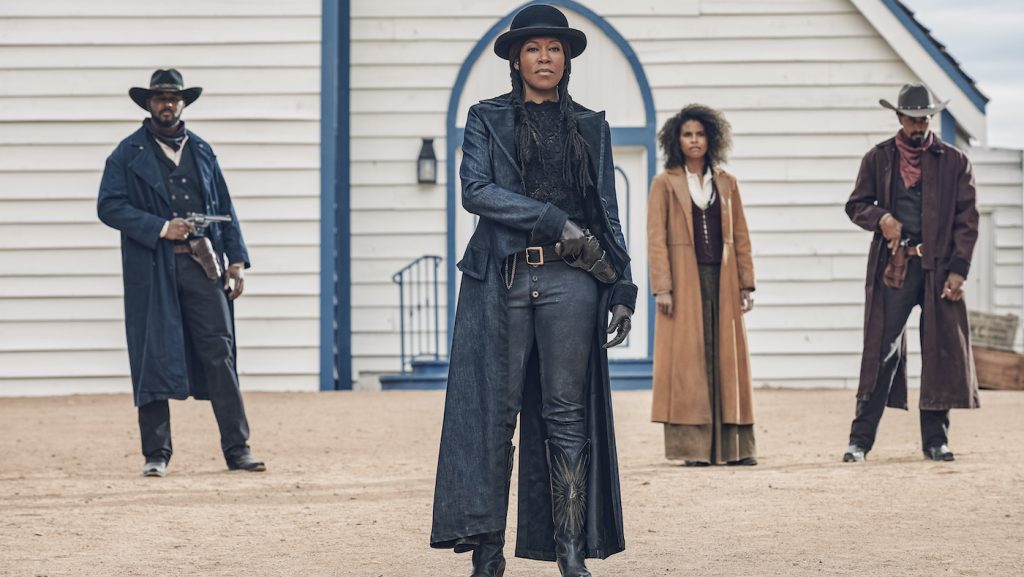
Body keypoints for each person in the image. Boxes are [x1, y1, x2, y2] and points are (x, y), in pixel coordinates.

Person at [430, 5, 636, 577]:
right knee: (494, 416)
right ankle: (487, 556)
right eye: (533, 48)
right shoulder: (486, 118)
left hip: (573, 281)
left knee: (567, 414)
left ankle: (571, 556)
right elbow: (477, 191)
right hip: (503, 277)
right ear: (516, 59)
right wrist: (551, 219)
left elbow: (606, 212)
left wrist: (622, 282)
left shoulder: (592, 125)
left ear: (566, 59)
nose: (544, 57)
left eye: (554, 48)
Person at [98, 69, 265, 477]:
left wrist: (236, 260)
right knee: (151, 355)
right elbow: (109, 206)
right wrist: (160, 227)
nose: (167, 104)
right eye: (159, 98)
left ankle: (237, 449)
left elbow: (225, 207)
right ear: (148, 104)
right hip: (152, 268)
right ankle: (156, 454)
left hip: (202, 264)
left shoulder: (203, 151)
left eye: (173, 97)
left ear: (183, 103)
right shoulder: (126, 153)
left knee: (219, 352)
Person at [843, 83, 979, 463]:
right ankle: (860, 441)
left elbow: (966, 221)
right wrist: (881, 217)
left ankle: (936, 441)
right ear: (899, 118)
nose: (917, 126)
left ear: (930, 118)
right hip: (895, 267)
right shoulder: (879, 158)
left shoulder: (954, 161)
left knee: (939, 350)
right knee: (880, 350)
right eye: (911, 119)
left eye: (923, 119)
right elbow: (855, 205)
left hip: (940, 271)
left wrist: (958, 271)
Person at [647, 105, 758, 467]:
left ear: (711, 138)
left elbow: (740, 235)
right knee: (689, 363)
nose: (694, 140)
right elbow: (656, 238)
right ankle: (693, 450)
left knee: (727, 360)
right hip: (683, 283)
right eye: (687, 134)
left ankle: (737, 448)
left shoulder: (727, 182)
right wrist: (662, 286)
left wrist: (746, 284)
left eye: (699, 134)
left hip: (722, 281)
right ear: (676, 141)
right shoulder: (665, 183)